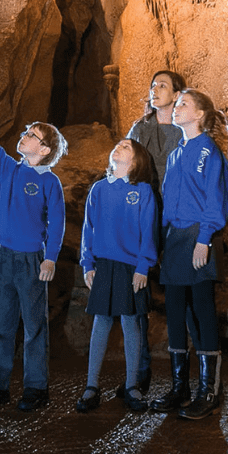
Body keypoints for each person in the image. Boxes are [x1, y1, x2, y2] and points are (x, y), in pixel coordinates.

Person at [0, 80, 67, 412]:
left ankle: (37, 388)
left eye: (32, 135)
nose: (24, 136)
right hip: (4, 258)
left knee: (35, 326)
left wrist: (50, 258)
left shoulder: (49, 182)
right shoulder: (8, 168)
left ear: (45, 149)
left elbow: (57, 224)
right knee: (1, 324)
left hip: (31, 261)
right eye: (26, 131)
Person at [149, 88, 228, 421]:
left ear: (199, 114)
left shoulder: (208, 151)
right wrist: (159, 242)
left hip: (198, 237)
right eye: (177, 104)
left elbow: (215, 198)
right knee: (175, 314)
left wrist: (204, 238)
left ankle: (208, 389)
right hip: (174, 241)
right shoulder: (175, 153)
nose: (176, 108)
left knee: (201, 312)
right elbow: (168, 203)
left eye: (183, 104)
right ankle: (178, 386)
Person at [76, 138, 158, 414]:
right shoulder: (98, 189)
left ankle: (132, 386)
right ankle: (91, 386)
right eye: (118, 145)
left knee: (131, 323)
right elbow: (88, 229)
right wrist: (87, 264)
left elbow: (149, 230)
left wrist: (143, 266)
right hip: (104, 264)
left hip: (131, 266)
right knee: (100, 322)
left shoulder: (143, 191)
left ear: (135, 161)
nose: (118, 148)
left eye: (126, 147)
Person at [126, 70, 185, 392]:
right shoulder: (140, 129)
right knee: (137, 296)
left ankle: (182, 380)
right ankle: (138, 372)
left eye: (163, 85)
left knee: (178, 297)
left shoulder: (186, 130)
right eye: (152, 85)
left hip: (176, 223)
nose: (155, 89)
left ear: (177, 95)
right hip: (143, 220)